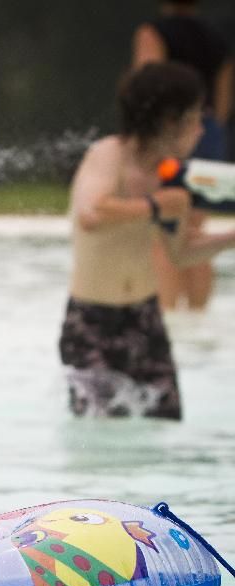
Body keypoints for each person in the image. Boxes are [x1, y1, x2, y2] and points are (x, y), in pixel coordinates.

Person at [59, 61, 235, 420]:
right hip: (92, 322)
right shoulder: (110, 155)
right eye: (195, 119)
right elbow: (91, 215)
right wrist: (154, 206)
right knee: (100, 437)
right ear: (171, 121)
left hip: (146, 319)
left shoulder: (171, 178)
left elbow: (182, 254)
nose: (202, 130)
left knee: (162, 426)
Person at [132, 0, 234, 310]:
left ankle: (168, 315)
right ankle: (198, 313)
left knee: (165, 233)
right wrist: (209, 130)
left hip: (168, 135)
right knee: (194, 232)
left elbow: (147, 85)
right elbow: (223, 99)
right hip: (206, 132)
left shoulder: (153, 33)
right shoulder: (218, 40)